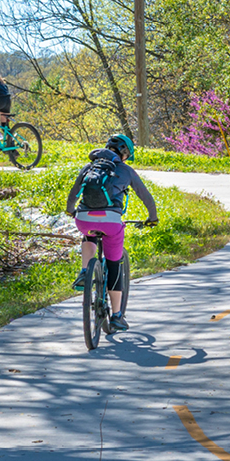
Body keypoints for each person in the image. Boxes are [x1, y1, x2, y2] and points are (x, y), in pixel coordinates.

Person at [65, 133, 159, 333]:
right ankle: (116, 316)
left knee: (88, 232)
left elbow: (73, 194)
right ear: (124, 153)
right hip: (111, 222)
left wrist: (71, 210)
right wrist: (152, 218)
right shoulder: (126, 170)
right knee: (114, 264)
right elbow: (146, 197)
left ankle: (84, 272)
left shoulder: (89, 168)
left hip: (83, 218)